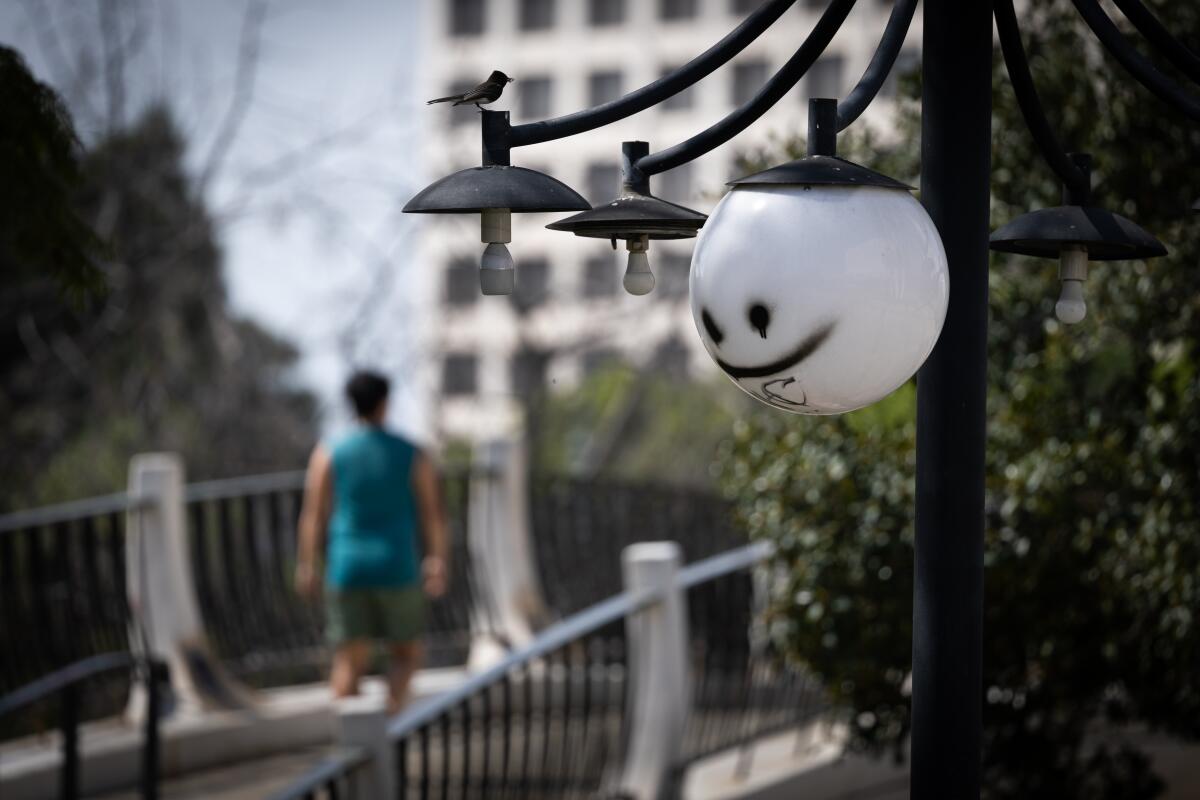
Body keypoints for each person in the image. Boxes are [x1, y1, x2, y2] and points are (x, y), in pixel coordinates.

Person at [295, 370, 448, 712]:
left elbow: (313, 515)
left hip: (347, 565)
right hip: (397, 565)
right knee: (406, 655)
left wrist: (306, 565)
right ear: (385, 403)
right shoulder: (411, 452)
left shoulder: (329, 452)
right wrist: (437, 559)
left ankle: (351, 745)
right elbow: (432, 513)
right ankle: (391, 724)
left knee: (349, 661)